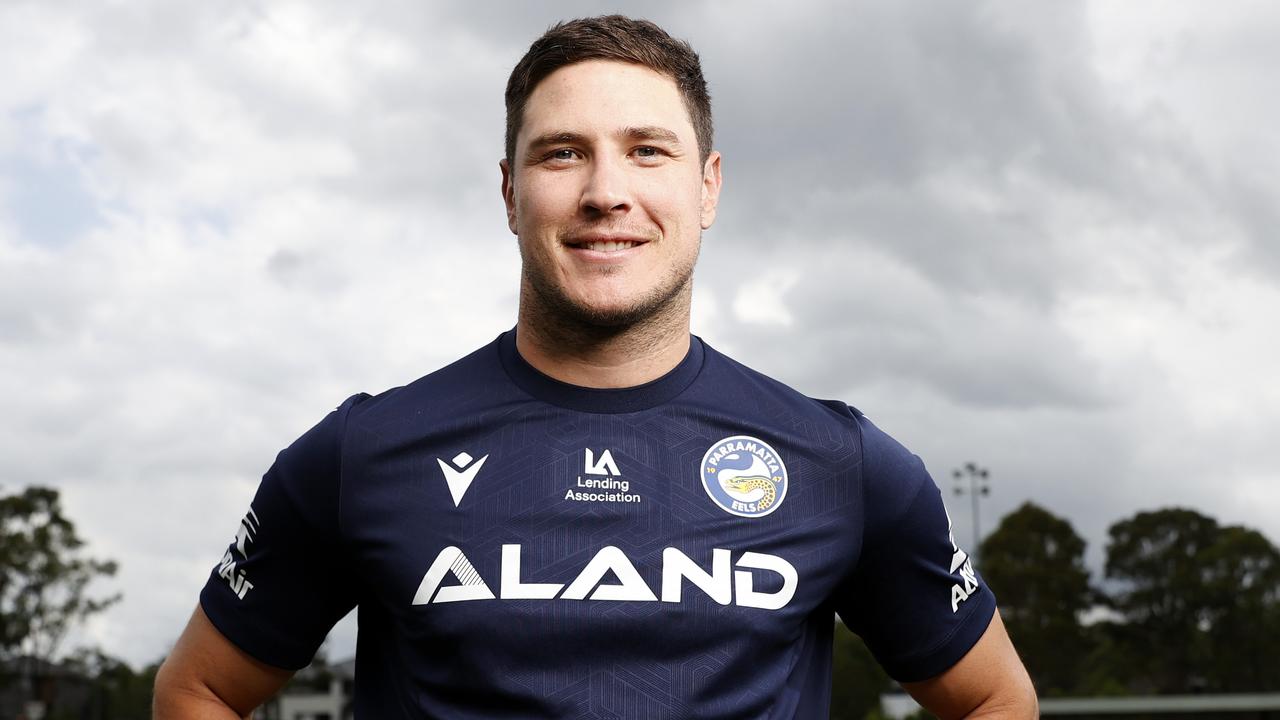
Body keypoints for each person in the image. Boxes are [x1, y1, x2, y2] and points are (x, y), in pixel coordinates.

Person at [154, 14, 1037, 719]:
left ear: (708, 187)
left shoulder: (838, 464)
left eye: (647, 149)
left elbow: (995, 697)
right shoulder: (364, 452)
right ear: (510, 193)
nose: (605, 190)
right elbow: (199, 689)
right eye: (562, 151)